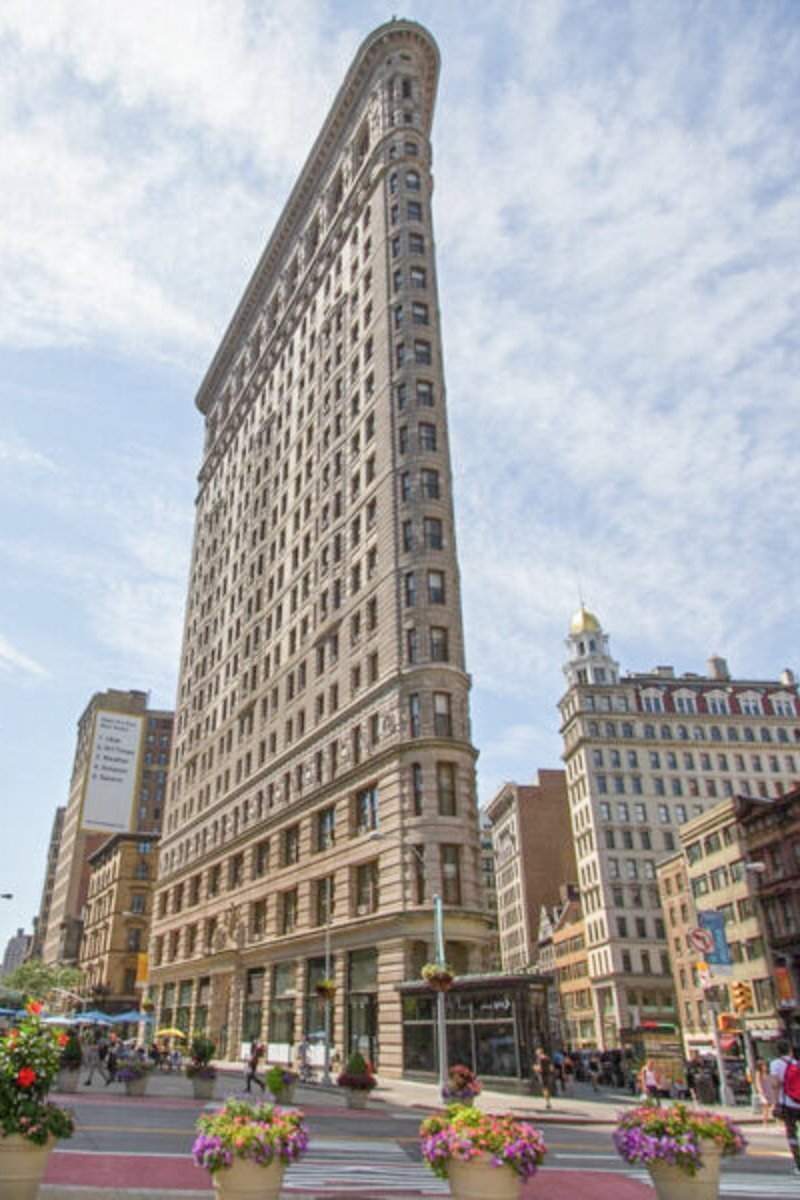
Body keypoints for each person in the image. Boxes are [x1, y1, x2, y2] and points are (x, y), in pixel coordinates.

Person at [770, 1040, 800, 1174]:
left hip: (788, 1103)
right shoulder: (796, 1063)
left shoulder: (775, 1064)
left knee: (792, 1133)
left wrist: (775, 1103)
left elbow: (775, 1085)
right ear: (789, 1050)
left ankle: (798, 1163)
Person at [754, 1060, 776, 1126]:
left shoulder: (769, 1073)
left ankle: (776, 1120)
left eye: (765, 1065)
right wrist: (760, 1091)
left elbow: (773, 1082)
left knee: (773, 1106)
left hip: (770, 1091)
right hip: (763, 1092)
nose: (765, 1067)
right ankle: (765, 1122)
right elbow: (757, 1083)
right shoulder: (758, 1073)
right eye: (763, 1065)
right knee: (766, 1105)